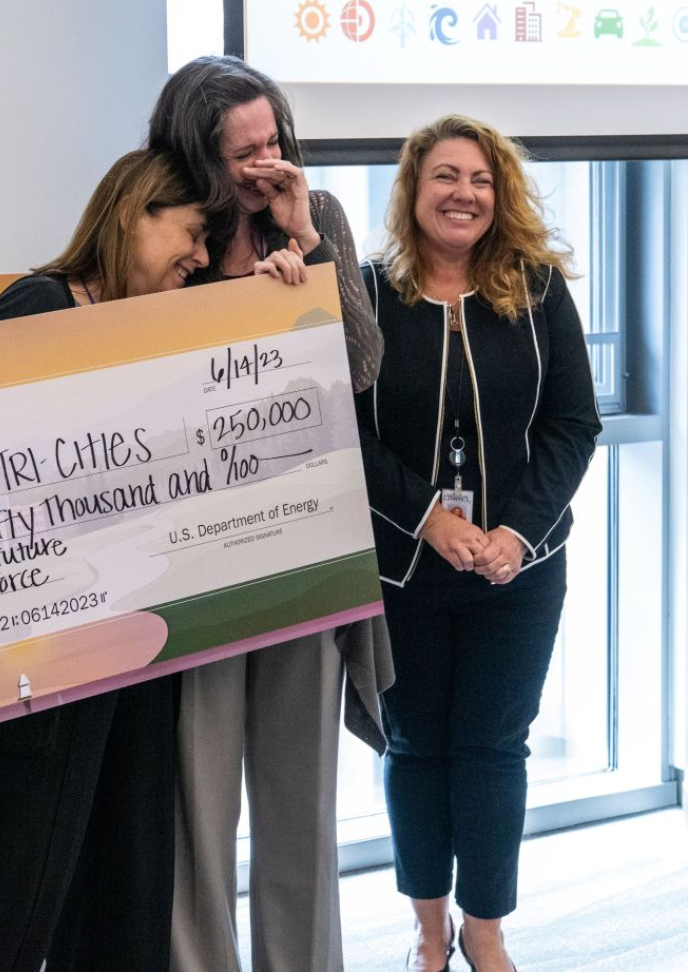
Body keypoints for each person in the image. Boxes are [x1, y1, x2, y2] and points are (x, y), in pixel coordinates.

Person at [0, 147, 322, 972]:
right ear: (133, 213)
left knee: (123, 886)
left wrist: (287, 292)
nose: (197, 258)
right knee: (1, 891)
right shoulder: (40, 304)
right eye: (190, 234)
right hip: (38, 666)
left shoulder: (161, 321)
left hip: (136, 652)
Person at [146, 54, 392, 972]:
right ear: (198, 156)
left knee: (302, 804)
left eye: (275, 140)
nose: (266, 163)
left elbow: (362, 368)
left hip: (305, 548)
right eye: (243, 151)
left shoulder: (316, 212)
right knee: (197, 813)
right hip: (199, 561)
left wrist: (313, 253)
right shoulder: (169, 225)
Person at [357, 115, 601, 972]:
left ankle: (485, 930)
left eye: (483, 180)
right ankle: (428, 931)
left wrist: (515, 534)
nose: (465, 193)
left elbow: (574, 425)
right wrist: (433, 518)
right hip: (405, 566)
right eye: (447, 176)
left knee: (496, 746)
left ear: (500, 197)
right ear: (413, 190)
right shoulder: (368, 294)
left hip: (519, 571)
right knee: (417, 745)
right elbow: (350, 435)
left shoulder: (536, 290)